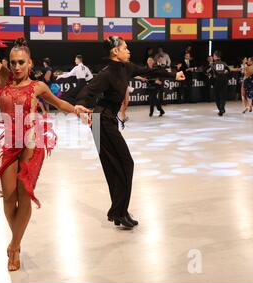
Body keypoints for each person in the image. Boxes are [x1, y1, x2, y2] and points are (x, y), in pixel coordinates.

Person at [0, 8, 90, 272]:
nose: (16, 67)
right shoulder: (4, 78)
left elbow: (59, 102)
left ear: (30, 64)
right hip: (10, 143)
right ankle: (16, 242)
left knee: (23, 191)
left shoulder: (37, 86)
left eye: (21, 62)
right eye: (13, 62)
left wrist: (76, 109)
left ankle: (14, 247)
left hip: (31, 142)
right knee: (8, 197)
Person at [74, 36, 185, 229]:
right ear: (115, 51)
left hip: (107, 121)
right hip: (101, 122)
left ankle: (120, 212)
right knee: (124, 163)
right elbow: (88, 90)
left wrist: (174, 75)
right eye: (125, 48)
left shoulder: (127, 67)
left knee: (115, 167)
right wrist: (80, 105)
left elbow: (150, 71)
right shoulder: (107, 73)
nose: (129, 50)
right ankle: (118, 211)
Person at [206, 50, 230, 116]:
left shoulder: (213, 64)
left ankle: (220, 109)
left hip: (217, 80)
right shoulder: (224, 63)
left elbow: (207, 71)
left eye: (213, 56)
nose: (213, 57)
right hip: (224, 80)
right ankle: (222, 108)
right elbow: (228, 70)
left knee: (217, 96)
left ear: (216, 56)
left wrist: (210, 76)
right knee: (223, 95)